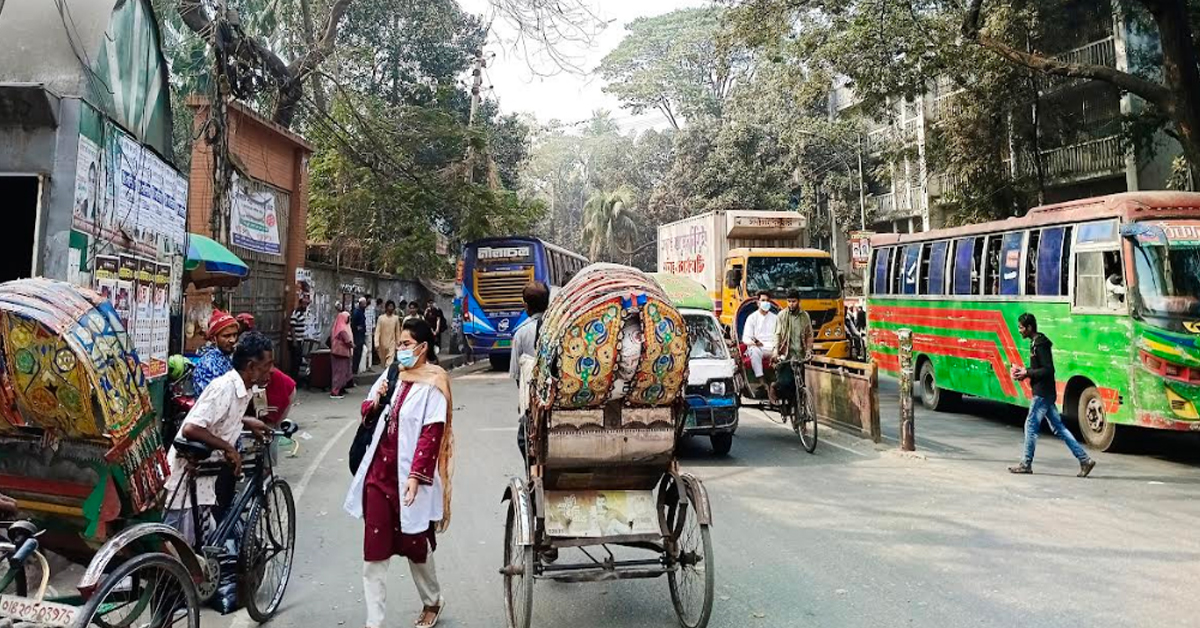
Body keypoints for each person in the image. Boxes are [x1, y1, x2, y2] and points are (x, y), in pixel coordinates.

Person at [345, 319, 453, 628]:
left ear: (423, 347)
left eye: (406, 344)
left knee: (416, 547)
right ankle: (374, 622)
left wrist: (417, 476)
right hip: (379, 475)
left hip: (409, 480)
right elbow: (368, 409)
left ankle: (432, 601)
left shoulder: (434, 383)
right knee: (374, 553)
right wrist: (374, 401)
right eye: (400, 344)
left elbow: (432, 434)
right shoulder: (395, 374)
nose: (401, 350)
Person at [163, 332, 274, 545]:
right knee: (181, 550)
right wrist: (228, 449)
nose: (270, 371)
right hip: (187, 480)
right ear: (251, 367)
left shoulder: (244, 389)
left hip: (205, 479)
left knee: (206, 542)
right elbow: (191, 428)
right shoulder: (224, 387)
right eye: (266, 365)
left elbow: (221, 417)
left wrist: (246, 421)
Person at [1008, 313, 1097, 477]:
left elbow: (1048, 370)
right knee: (1059, 428)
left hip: (1042, 394)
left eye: (1021, 327)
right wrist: (1024, 371)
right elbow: (1040, 368)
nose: (1019, 331)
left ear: (1029, 328)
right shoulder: (1036, 342)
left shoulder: (1040, 344)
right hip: (1046, 393)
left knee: (1030, 426)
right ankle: (1085, 460)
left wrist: (1027, 372)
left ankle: (1026, 463)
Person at [510, 281, 550, 458]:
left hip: (534, 398)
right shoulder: (559, 326)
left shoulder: (521, 333)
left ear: (526, 305)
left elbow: (518, 376)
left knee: (524, 439)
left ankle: (534, 473)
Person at [774, 290, 814, 403]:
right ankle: (786, 404)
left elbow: (809, 335)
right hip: (787, 355)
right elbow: (777, 334)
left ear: (799, 301)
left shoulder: (805, 316)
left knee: (800, 383)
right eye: (789, 301)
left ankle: (800, 409)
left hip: (800, 355)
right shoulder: (781, 316)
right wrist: (776, 351)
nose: (791, 304)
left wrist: (809, 350)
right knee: (785, 383)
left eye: (794, 301)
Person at [193, 310, 240, 394]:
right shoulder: (208, 365)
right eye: (226, 336)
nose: (232, 340)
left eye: (235, 335)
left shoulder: (228, 357)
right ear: (214, 339)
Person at [742, 291, 779, 394]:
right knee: (754, 351)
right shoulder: (752, 318)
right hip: (758, 348)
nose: (765, 303)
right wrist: (755, 343)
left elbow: (780, 336)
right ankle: (762, 382)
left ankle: (777, 383)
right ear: (758, 303)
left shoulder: (776, 318)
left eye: (767, 301)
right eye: (763, 300)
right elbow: (746, 338)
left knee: (784, 355)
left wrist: (777, 348)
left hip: (772, 348)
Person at [331, 311, 355, 399]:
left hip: (340, 353)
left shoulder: (338, 326)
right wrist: (353, 346)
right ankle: (335, 391)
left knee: (343, 372)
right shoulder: (342, 328)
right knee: (339, 372)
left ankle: (340, 388)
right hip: (341, 353)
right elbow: (347, 340)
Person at [288, 295, 312, 380]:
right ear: (300, 304)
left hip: (299, 340)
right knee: (295, 361)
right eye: (304, 304)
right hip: (294, 341)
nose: (305, 306)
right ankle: (293, 379)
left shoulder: (301, 314)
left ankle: (295, 378)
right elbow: (292, 327)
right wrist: (294, 340)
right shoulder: (296, 313)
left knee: (298, 361)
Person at [375, 300, 402, 367]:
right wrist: (376, 343)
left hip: (392, 343)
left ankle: (387, 375)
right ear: (386, 307)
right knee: (383, 363)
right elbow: (377, 331)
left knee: (389, 363)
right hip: (382, 344)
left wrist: (398, 343)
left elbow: (397, 331)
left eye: (392, 307)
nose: (391, 308)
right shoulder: (381, 318)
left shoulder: (396, 318)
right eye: (390, 306)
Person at [353, 298, 369, 375]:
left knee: (359, 352)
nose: (365, 305)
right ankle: (354, 370)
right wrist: (357, 328)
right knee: (357, 352)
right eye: (364, 303)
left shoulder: (361, 312)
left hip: (361, 334)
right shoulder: (357, 312)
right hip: (358, 335)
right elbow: (354, 323)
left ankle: (356, 369)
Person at [365, 297, 379, 370]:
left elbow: (373, 321)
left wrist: (373, 331)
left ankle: (369, 365)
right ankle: (363, 365)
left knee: (369, 349)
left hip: (369, 331)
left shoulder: (372, 309)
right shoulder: (361, 307)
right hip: (362, 331)